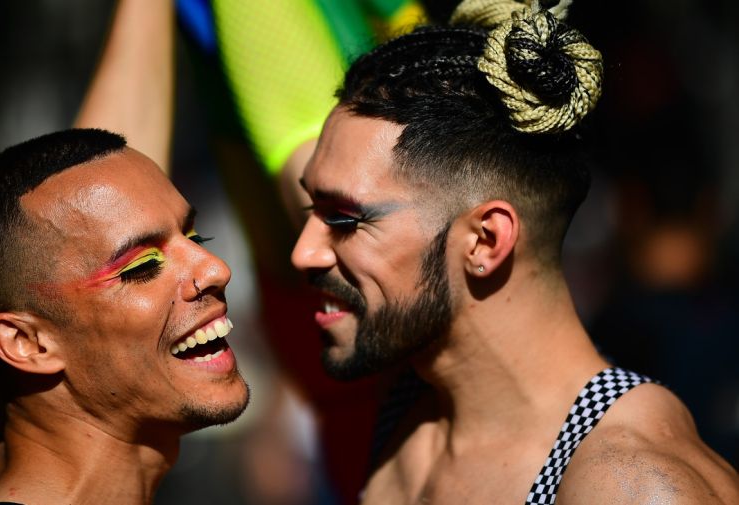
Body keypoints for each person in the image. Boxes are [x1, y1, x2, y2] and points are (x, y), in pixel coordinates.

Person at [289, 0, 739, 503]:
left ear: (486, 241)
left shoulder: (627, 484)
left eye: (344, 220)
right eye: (312, 209)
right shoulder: (411, 391)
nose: (303, 252)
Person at [0, 128, 250, 504]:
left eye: (195, 238)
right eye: (142, 266)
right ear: (28, 344)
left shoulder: (14, 424)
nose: (216, 269)